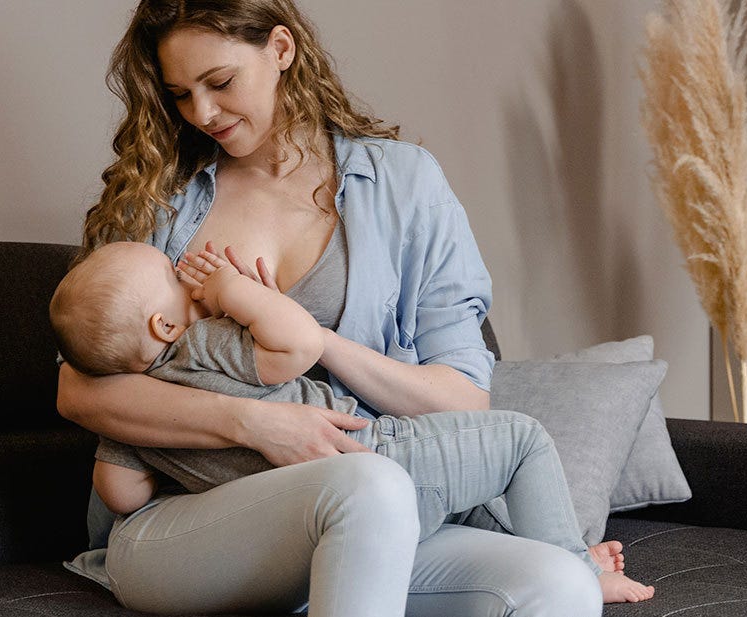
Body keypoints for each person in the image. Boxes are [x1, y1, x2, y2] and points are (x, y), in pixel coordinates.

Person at [56, 0, 653, 615]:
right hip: (187, 522)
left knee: (560, 584)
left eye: (221, 82)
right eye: (181, 94)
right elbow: (79, 392)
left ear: (281, 49)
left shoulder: (405, 185)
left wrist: (322, 344)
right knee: (367, 486)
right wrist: (259, 425)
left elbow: (464, 399)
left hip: (374, 508)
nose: (202, 112)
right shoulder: (160, 199)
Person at [49, 238, 655, 604]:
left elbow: (120, 491)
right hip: (374, 449)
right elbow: (296, 344)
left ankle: (552, 561)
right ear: (164, 326)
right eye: (173, 274)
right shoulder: (204, 342)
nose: (188, 275)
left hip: (274, 516)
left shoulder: (133, 410)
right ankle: (576, 561)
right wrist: (235, 291)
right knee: (521, 440)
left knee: (473, 491)